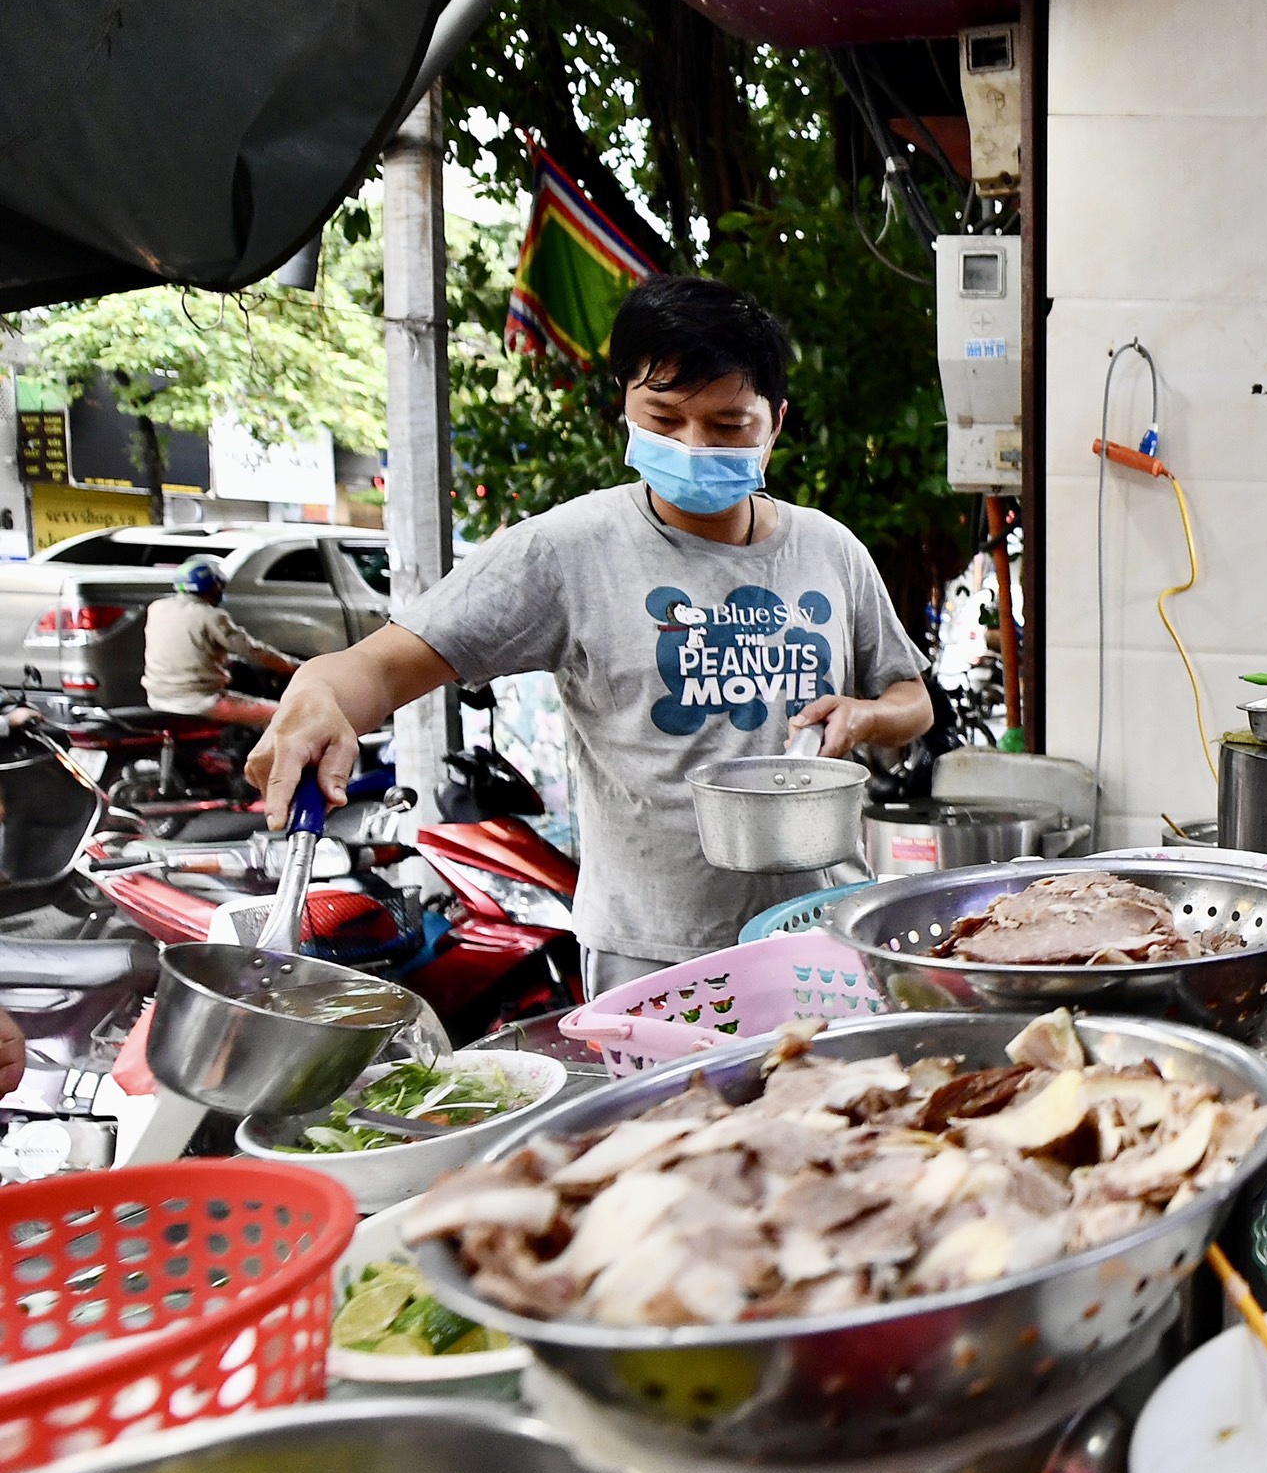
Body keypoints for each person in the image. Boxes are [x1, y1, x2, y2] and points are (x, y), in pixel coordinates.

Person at [250, 275, 933, 993]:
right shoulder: (565, 550)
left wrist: (868, 715)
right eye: (665, 419)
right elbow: (382, 669)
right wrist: (320, 689)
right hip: (657, 952)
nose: (695, 446)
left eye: (729, 426)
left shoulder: (830, 549)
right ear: (627, 409)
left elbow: (910, 697)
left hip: (823, 930)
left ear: (776, 423)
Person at [141, 559, 301, 724]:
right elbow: (252, 651)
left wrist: (228, 661)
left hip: (157, 698)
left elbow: (189, 648)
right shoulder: (211, 616)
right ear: (213, 587)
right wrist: (291, 665)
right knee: (284, 717)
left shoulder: (157, 608)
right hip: (199, 701)